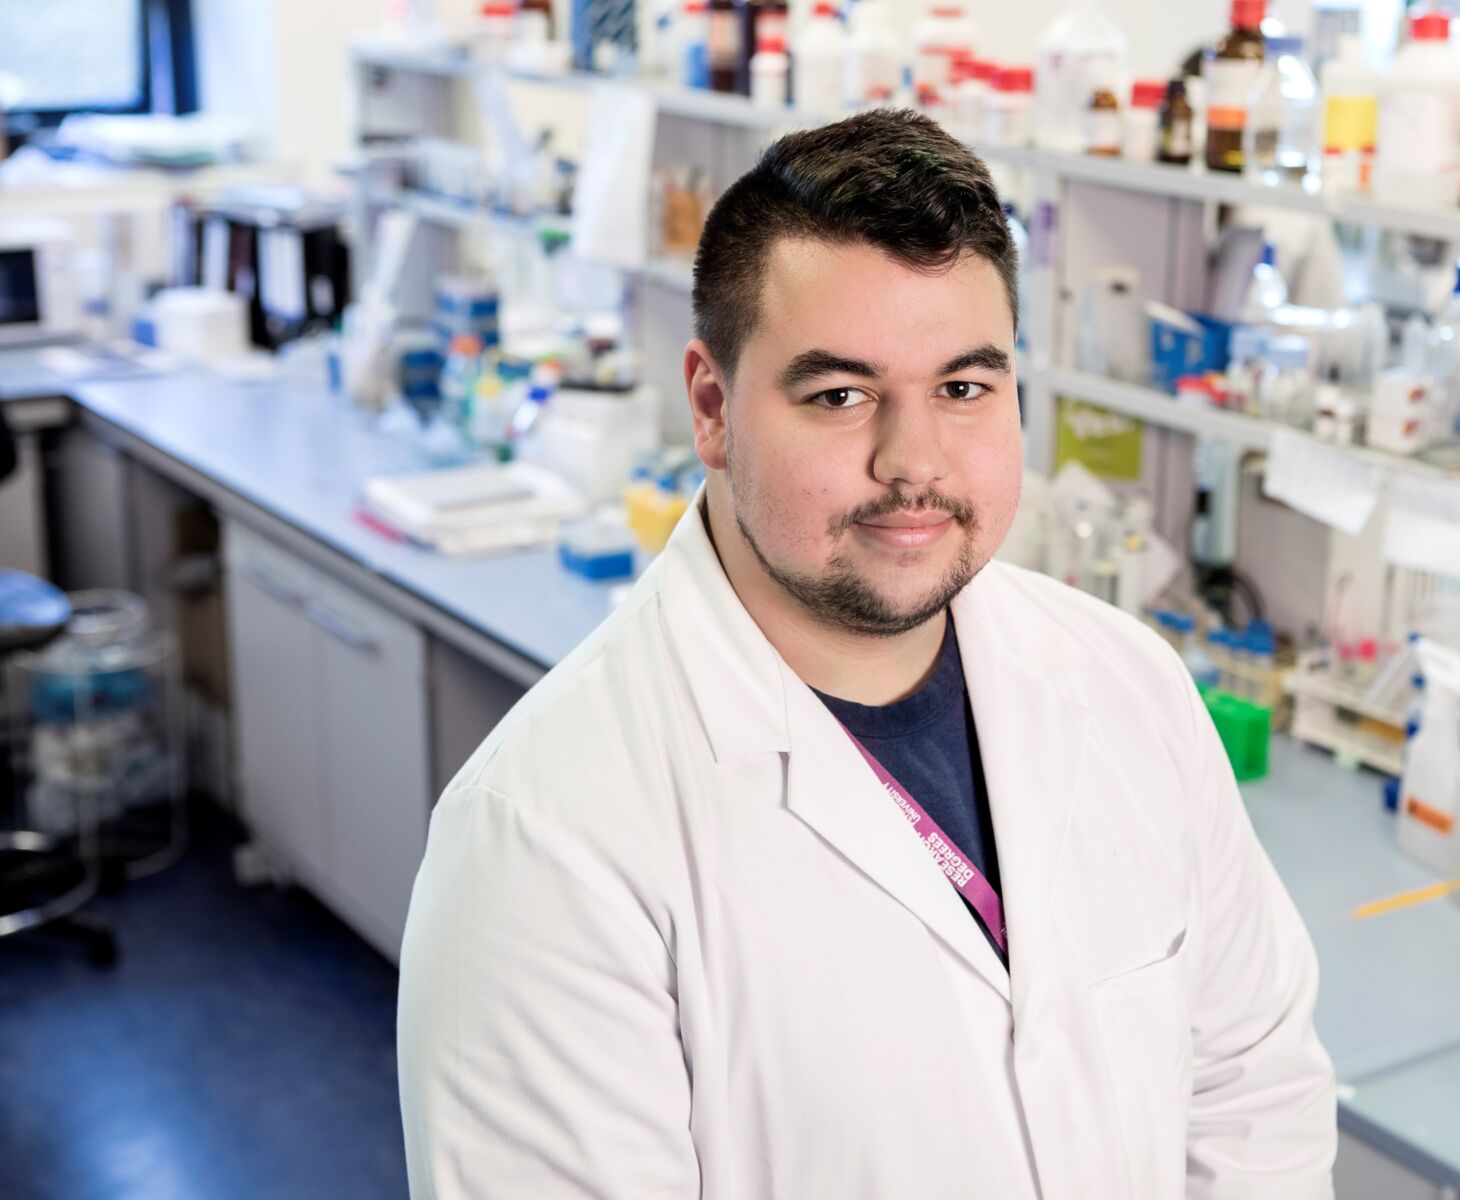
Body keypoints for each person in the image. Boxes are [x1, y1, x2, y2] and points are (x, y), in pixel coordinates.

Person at [397, 109, 1336, 1198]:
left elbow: (1252, 1091)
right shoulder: (547, 839)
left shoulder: (1127, 682)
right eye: (841, 395)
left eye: (964, 387)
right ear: (712, 406)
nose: (914, 461)